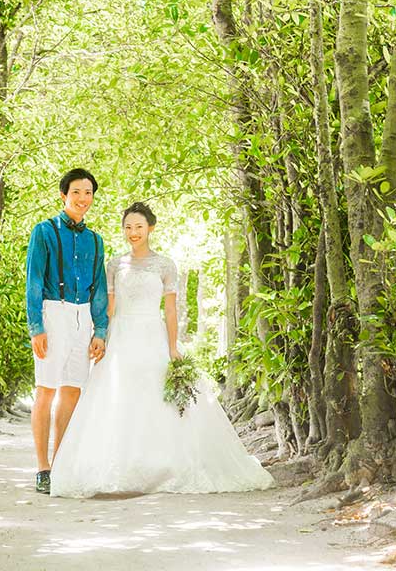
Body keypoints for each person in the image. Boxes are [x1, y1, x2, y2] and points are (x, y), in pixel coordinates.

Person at [50, 201, 273, 497]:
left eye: (138, 226)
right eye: (128, 227)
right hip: (121, 335)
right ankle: (119, 466)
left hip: (152, 334)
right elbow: (109, 305)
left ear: (150, 228)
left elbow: (170, 310)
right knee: (118, 396)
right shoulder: (115, 265)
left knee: (156, 395)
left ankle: (162, 464)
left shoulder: (165, 265)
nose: (133, 232)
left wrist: (172, 346)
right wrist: (100, 335)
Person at [25, 168, 108, 495]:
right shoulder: (44, 231)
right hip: (53, 311)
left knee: (73, 389)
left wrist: (100, 330)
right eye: (76, 192)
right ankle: (43, 468)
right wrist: (36, 326)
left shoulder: (96, 240)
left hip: (83, 316)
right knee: (46, 389)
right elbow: (33, 281)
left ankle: (60, 464)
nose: (83, 199)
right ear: (64, 195)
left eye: (88, 193)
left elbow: (99, 289)